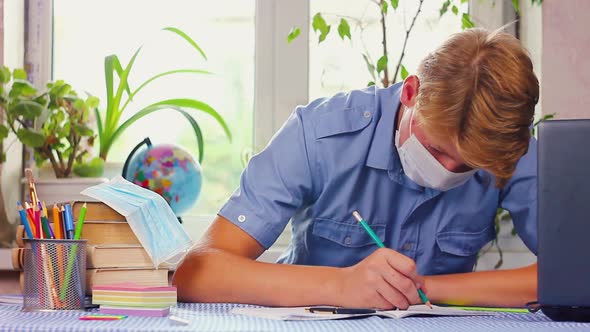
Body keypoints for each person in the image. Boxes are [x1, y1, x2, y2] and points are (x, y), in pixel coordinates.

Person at [173, 27, 540, 309]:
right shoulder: (318, 134)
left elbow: (577, 274)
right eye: (436, 149)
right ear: (411, 93)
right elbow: (199, 273)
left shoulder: (504, 145)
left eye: (469, 165)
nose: (447, 170)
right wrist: (341, 286)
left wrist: (420, 288)